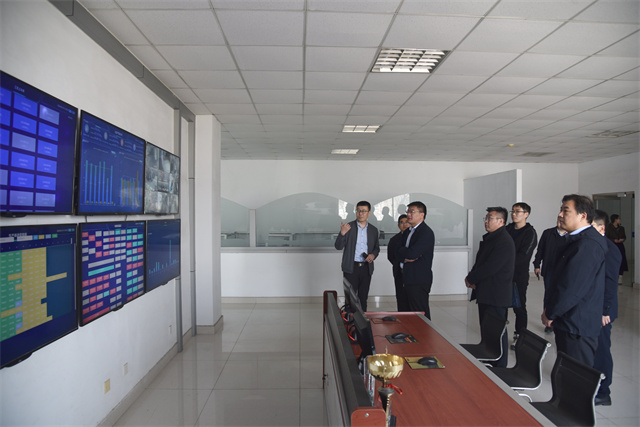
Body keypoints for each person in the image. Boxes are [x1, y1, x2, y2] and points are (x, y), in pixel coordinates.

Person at [542, 195, 607, 366]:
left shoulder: (588, 244)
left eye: (566, 210)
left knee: (575, 375)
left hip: (577, 325)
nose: (560, 215)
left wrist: (551, 312)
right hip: (569, 321)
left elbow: (571, 288)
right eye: (561, 210)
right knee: (565, 371)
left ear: (582, 215)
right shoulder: (576, 240)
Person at [465, 207, 515, 368]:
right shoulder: (492, 238)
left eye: (490, 218)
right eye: (486, 218)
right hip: (486, 292)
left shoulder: (504, 241)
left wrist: (472, 278)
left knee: (497, 332)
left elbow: (491, 267)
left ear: (501, 221)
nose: (486, 221)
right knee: (487, 330)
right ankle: (489, 357)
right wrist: (472, 277)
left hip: (496, 294)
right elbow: (481, 262)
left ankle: (500, 365)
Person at [592, 210, 622, 406]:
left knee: (602, 349)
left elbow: (610, 283)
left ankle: (604, 392)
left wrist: (605, 310)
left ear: (601, 228)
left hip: (602, 310)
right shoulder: (593, 246)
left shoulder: (610, 250)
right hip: (591, 307)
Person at [335, 201, 380, 312]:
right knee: (350, 299)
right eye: (358, 211)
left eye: (363, 211)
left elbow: (376, 248)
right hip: (351, 268)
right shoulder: (348, 227)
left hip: (366, 268)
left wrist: (373, 255)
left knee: (363, 298)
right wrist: (342, 234)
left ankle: (362, 320)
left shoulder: (373, 230)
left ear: (369, 213)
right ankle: (349, 321)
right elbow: (338, 246)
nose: (360, 213)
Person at [505, 202, 537, 350]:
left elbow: (523, 256)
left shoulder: (530, 233)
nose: (514, 214)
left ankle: (519, 336)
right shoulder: (507, 229)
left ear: (526, 214)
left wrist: (504, 262)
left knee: (519, 307)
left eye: (518, 211)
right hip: (503, 275)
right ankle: (500, 332)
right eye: (512, 211)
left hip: (518, 276)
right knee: (501, 304)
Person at [396, 201, 435, 318]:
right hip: (405, 277)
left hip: (418, 279)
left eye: (412, 212)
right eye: (408, 211)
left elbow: (412, 254)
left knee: (419, 314)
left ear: (422, 214)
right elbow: (397, 251)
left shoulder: (426, 233)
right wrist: (405, 255)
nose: (408, 214)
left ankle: (424, 331)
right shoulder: (408, 231)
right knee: (405, 313)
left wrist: (405, 253)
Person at [532, 219, 568, 333]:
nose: (560, 222)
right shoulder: (548, 233)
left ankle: (560, 320)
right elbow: (540, 250)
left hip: (564, 272)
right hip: (549, 271)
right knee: (549, 295)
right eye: (559, 220)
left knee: (562, 296)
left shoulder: (571, 235)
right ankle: (549, 322)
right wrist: (537, 264)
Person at [387, 214, 410, 311]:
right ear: (398, 225)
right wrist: (399, 264)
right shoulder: (394, 239)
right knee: (400, 295)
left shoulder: (414, 237)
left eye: (406, 222)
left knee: (411, 297)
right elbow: (390, 256)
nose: (404, 224)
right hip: (399, 271)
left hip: (412, 272)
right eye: (401, 222)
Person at [606, 214, 628, 281]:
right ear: (615, 219)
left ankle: (620, 276)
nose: (619, 220)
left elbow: (624, 236)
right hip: (612, 245)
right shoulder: (608, 228)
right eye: (618, 218)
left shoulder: (621, 228)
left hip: (620, 245)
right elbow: (606, 237)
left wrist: (622, 239)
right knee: (612, 260)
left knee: (622, 260)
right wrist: (614, 240)